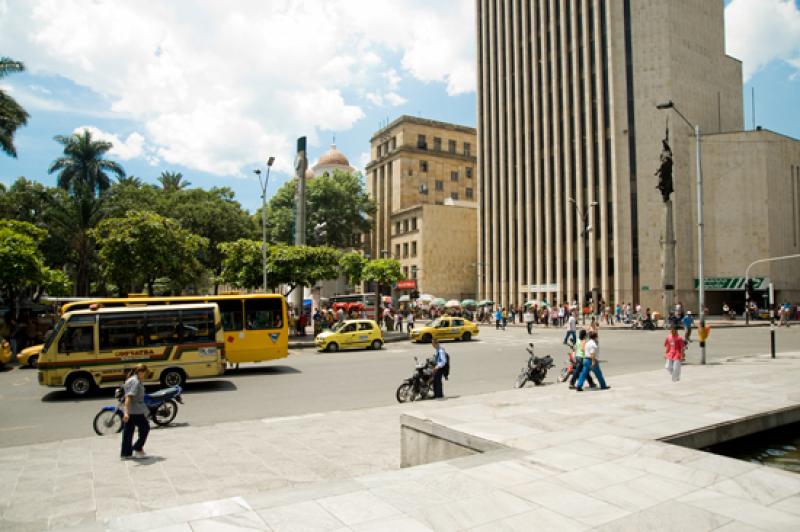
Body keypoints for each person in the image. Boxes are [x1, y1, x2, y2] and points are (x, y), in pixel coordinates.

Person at [121, 364, 151, 460]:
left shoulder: (131, 379)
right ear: (140, 372)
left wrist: (126, 412)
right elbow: (128, 397)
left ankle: (126, 453)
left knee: (128, 432)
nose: (145, 375)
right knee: (145, 428)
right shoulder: (135, 382)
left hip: (132, 410)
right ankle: (137, 447)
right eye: (145, 373)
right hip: (135, 411)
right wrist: (126, 412)